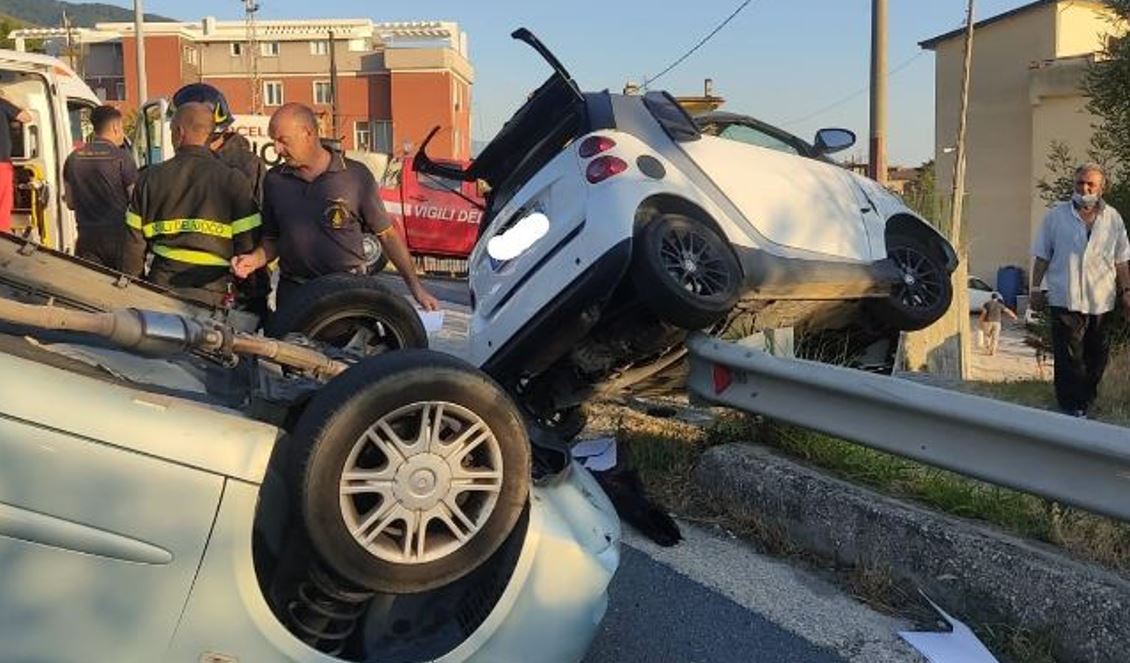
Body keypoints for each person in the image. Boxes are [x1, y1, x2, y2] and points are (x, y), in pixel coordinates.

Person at [230, 103, 439, 312]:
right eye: (273, 141)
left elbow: (387, 235)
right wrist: (254, 260)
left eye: (283, 141)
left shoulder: (355, 176)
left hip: (345, 295)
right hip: (294, 295)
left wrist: (416, 288)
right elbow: (272, 240)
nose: (276, 149)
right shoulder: (275, 180)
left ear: (308, 133)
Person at [121, 102, 260, 307]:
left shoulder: (149, 179)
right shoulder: (233, 181)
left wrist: (135, 292)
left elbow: (133, 247)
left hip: (161, 289)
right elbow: (248, 247)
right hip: (214, 294)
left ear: (180, 132)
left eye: (171, 131)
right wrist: (254, 299)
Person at [1030, 162, 1130, 417]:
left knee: (1097, 355)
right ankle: (1069, 405)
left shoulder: (1113, 219)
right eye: (1080, 183)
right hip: (1066, 297)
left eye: (1090, 184)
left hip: (1101, 299)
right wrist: (1035, 288)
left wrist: (1126, 292)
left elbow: (1121, 260)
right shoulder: (1056, 217)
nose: (1084, 188)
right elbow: (1042, 256)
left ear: (1102, 188)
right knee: (1069, 355)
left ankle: (1087, 400)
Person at [170, 83, 270, 320]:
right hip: (216, 285)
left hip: (234, 287)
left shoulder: (244, 166)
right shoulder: (248, 163)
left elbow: (257, 230)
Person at [62, 105, 138, 269]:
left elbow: (70, 203)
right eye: (122, 128)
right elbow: (135, 200)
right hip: (118, 240)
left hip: (87, 241)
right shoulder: (122, 158)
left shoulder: (72, 158)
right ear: (115, 127)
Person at [0, 92, 32, 234]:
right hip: (1, 164)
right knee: (2, 206)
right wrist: (10, 101)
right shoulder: (2, 103)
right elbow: (26, 117)